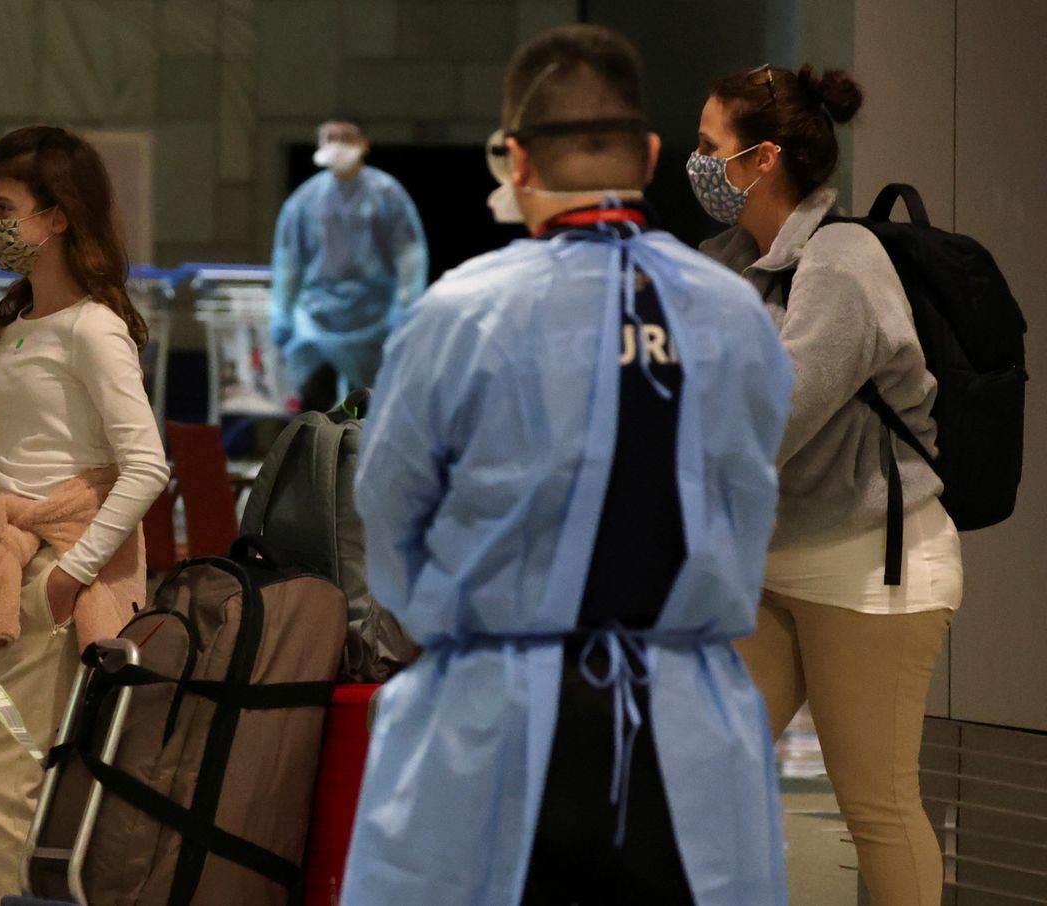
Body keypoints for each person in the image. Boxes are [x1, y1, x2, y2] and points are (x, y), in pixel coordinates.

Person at [341, 26, 793, 906]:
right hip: (689, 723)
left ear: (515, 161)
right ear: (653, 153)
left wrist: (458, 626)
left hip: (492, 722)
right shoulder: (733, 314)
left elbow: (389, 518)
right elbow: (751, 496)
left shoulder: (461, 313)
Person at [692, 65, 962, 906]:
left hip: (871, 571)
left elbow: (768, 422)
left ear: (762, 158)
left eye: (710, 148)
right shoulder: (732, 259)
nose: (698, 165)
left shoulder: (843, 265)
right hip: (774, 567)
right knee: (704, 780)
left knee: (874, 804)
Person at [0, 125, 169, 905]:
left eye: (5, 207)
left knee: (10, 780)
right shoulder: (21, 327)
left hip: (51, 579)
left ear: (57, 216)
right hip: (9, 569)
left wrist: (70, 577)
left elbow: (146, 465)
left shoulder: (95, 328)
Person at [269, 117, 428, 412]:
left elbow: (410, 254)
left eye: (345, 137)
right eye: (330, 137)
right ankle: (313, 458)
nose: (337, 145)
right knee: (314, 405)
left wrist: (405, 307)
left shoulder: (387, 194)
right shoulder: (304, 200)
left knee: (369, 406)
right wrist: (282, 311)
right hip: (318, 318)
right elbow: (288, 261)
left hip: (373, 318)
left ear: (364, 144)